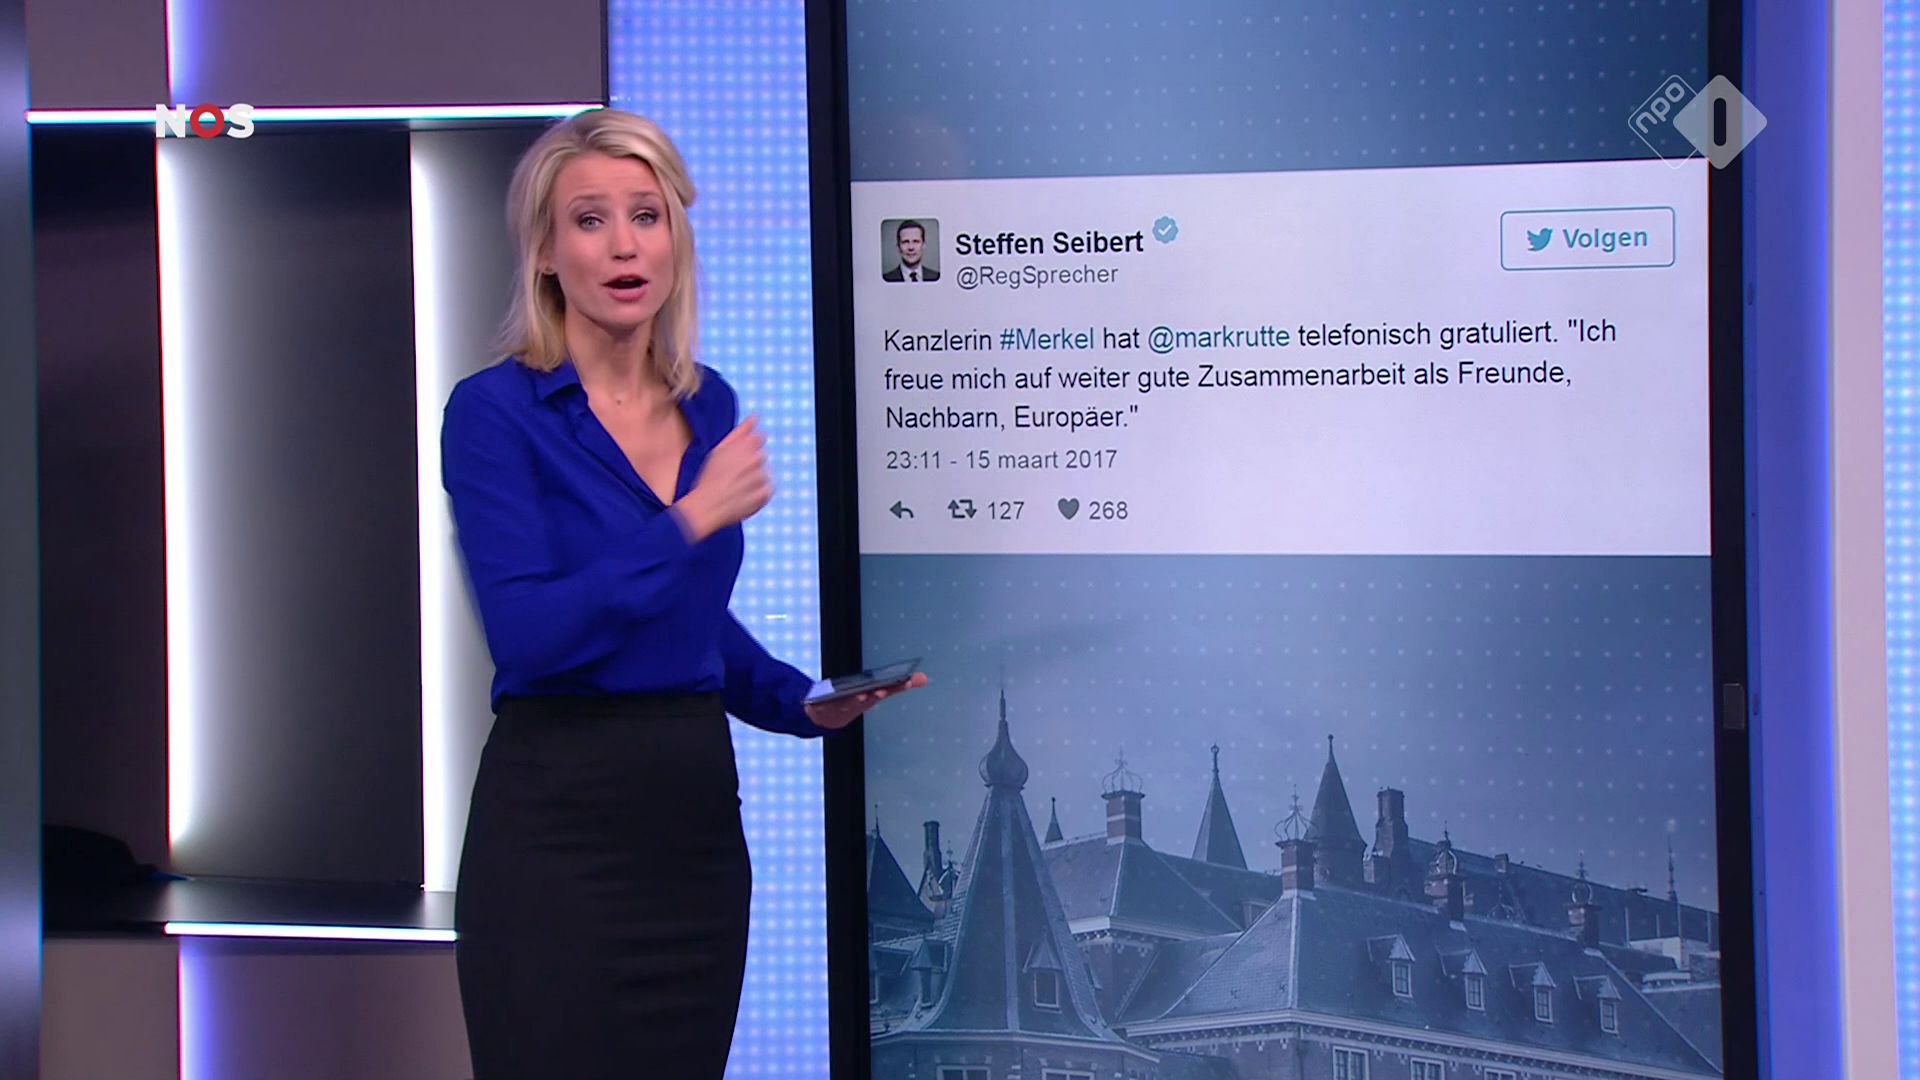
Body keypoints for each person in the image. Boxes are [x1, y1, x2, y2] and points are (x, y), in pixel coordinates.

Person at [439, 108, 925, 1079]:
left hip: (692, 827)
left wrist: (797, 700)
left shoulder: (710, 404)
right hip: (558, 828)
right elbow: (529, 634)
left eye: (646, 215)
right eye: (590, 220)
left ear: (675, 239)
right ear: (545, 251)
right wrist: (690, 518)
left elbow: (690, 614)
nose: (624, 244)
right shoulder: (494, 413)